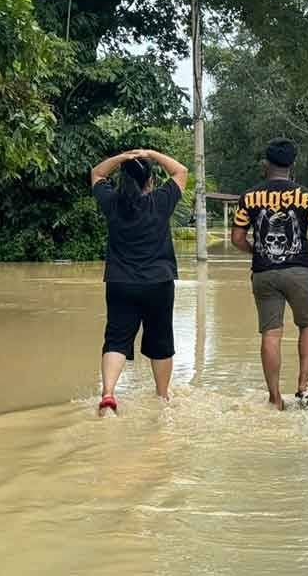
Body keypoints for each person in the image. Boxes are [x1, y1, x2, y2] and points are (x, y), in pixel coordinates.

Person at [231, 138, 308, 410]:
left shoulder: (249, 197)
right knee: (307, 326)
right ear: (292, 165)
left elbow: (237, 238)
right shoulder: (307, 197)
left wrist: (257, 252)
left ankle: (275, 397)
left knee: (271, 333)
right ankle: (302, 385)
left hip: (264, 273)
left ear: (266, 164)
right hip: (299, 271)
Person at [90, 148, 189, 415]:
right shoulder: (161, 201)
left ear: (123, 180)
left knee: (116, 339)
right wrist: (152, 154)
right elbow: (181, 171)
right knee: (161, 341)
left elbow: (97, 173)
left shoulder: (112, 202)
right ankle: (162, 397)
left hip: (120, 283)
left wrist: (122, 158)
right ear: (151, 181)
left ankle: (108, 395)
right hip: (158, 283)